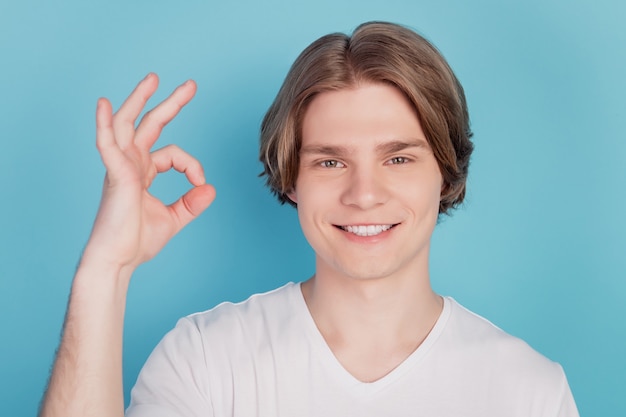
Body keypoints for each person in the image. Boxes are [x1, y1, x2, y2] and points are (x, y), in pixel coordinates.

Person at [39, 21, 579, 416]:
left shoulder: (529, 391)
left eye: (398, 158)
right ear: (290, 179)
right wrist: (105, 271)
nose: (364, 194)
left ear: (446, 172)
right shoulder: (205, 359)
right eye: (330, 161)